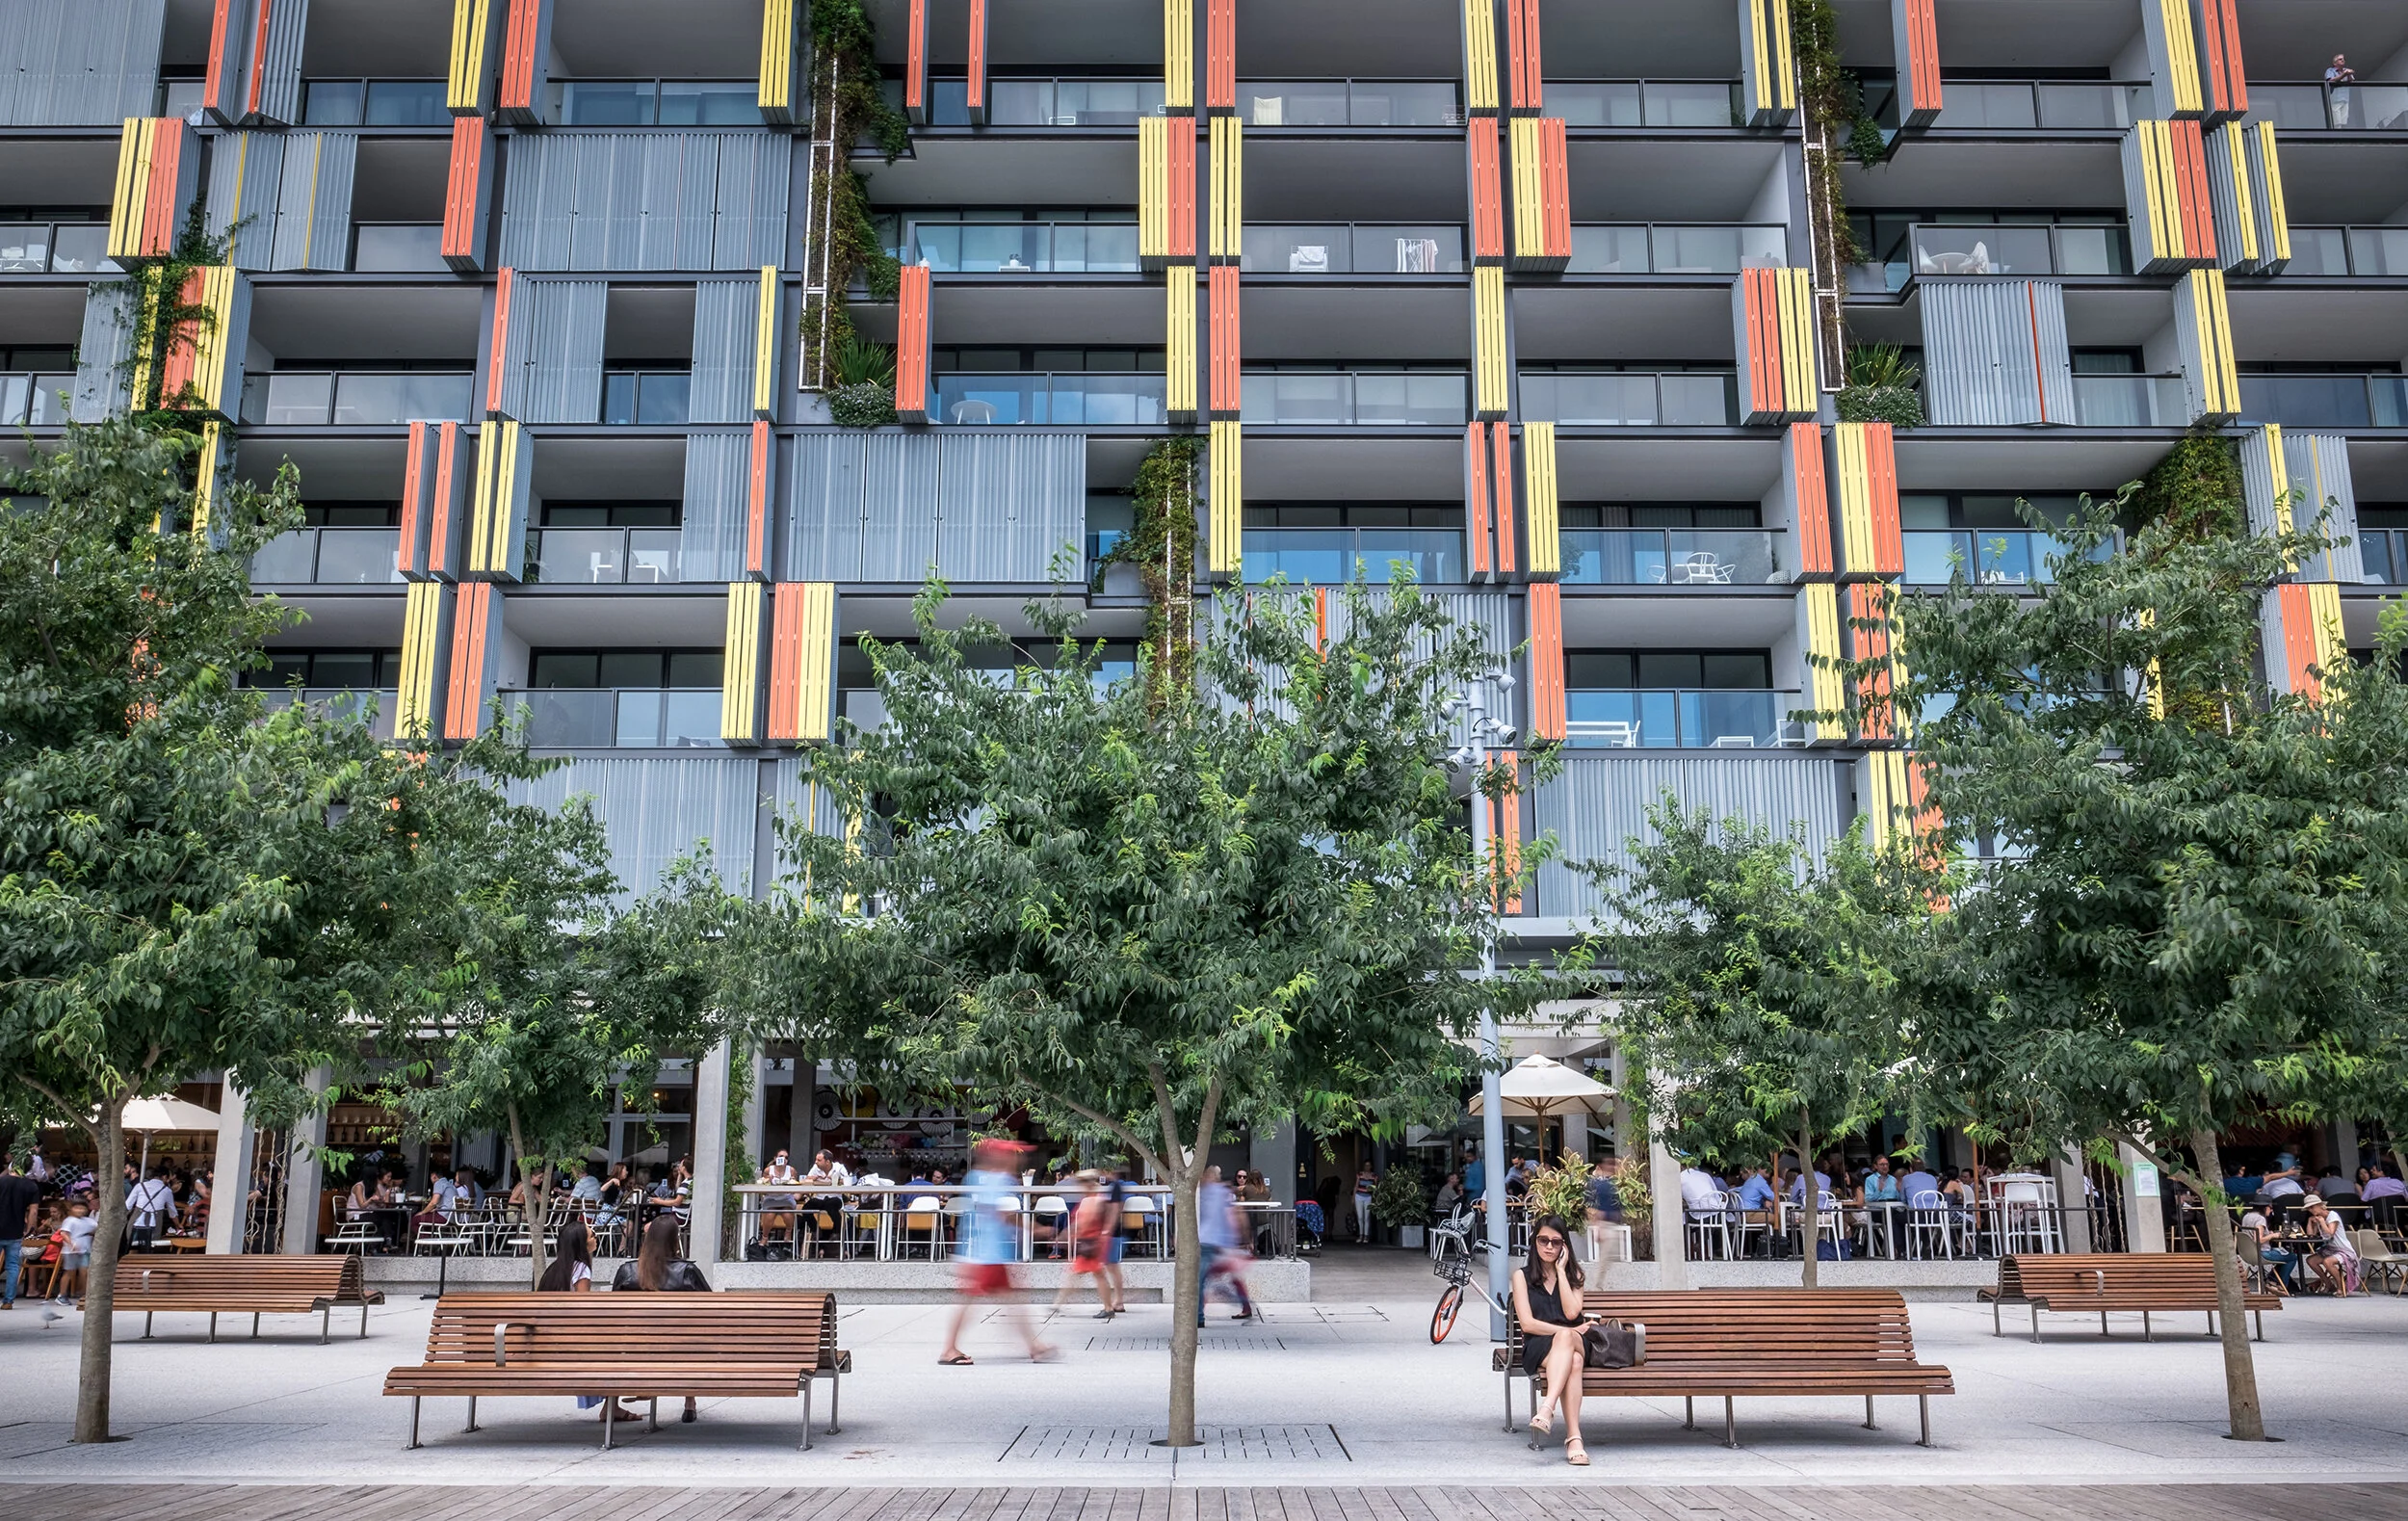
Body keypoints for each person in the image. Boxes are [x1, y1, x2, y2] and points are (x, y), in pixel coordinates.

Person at [939, 1140, 1052, 1365]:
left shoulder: (975, 1177)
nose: (1017, 1159)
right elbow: (1004, 1215)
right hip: (986, 1256)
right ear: (1000, 1157)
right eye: (1013, 1155)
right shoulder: (998, 1180)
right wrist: (1038, 1230)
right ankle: (948, 1350)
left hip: (981, 1253)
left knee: (1008, 1300)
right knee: (981, 1301)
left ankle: (1035, 1347)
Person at [612, 1216, 714, 1421]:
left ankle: (613, 1404)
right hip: (680, 1350)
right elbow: (711, 1310)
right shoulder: (687, 1272)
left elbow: (614, 1316)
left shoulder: (628, 1271)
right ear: (675, 1240)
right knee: (692, 1337)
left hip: (635, 1351)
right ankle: (690, 1402)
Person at [1508, 1214, 1590, 1467]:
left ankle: (1547, 1409)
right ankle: (1574, 1439)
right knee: (1574, 1362)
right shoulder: (1521, 1277)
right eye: (1543, 1240)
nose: (1549, 1247)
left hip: (1576, 1340)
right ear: (1534, 1242)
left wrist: (1561, 1273)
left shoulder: (1575, 1275)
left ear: (1564, 1245)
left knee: (1569, 1340)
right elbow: (1528, 1324)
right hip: (1540, 1345)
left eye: (1556, 1242)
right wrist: (1565, 1331)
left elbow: (1571, 1313)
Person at [1050, 1171, 1117, 1318]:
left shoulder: (1090, 1201)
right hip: (1094, 1242)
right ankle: (1107, 1307)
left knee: (1078, 1274)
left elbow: (1085, 1222)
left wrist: (1068, 1235)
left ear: (1088, 1184)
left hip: (1090, 1243)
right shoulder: (1098, 1199)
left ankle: (1058, 1304)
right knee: (1094, 1274)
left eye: (1081, 1183)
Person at [1196, 1166, 1255, 1324]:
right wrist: (1243, 1240)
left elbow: (1236, 1216)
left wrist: (1242, 1240)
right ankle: (1245, 1305)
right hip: (1219, 1243)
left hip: (1211, 1242)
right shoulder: (1223, 1193)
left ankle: (1199, 1316)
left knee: (1201, 1280)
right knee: (1224, 1277)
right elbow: (1238, 1216)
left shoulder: (1207, 1193)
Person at [0, 1154, 41, 1309]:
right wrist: (30, 1229)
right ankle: (8, 1301)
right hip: (15, 1231)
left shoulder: (1, 1181)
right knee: (12, 1266)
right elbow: (33, 1211)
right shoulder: (31, 1186)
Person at [2299, 1196, 2358, 1297]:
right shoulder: (2318, 1218)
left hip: (2343, 1250)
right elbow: (2311, 1235)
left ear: (2320, 1205)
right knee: (2311, 1260)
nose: (2311, 1210)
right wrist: (2310, 1221)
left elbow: (2330, 1233)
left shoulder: (2332, 1216)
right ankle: (2329, 1284)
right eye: (2309, 1208)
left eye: (2312, 1207)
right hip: (2330, 1249)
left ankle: (2341, 1287)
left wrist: (2322, 1222)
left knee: (2327, 1262)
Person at [2236, 1203, 2294, 1293]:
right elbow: (2258, 1240)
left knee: (2284, 1255)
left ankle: (2272, 1280)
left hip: (2248, 1254)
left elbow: (2252, 1234)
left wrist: (2267, 1233)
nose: (2271, 1210)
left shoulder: (2247, 1216)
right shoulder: (2260, 1219)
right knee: (2291, 1257)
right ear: (2265, 1208)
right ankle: (2278, 1284)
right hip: (2262, 1253)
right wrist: (2273, 1235)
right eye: (2270, 1208)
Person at [53, 1197, 97, 1308]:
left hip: (85, 1250)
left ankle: (85, 1294)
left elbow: (97, 1229)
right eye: (77, 1208)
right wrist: (71, 1244)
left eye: (82, 1208)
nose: (80, 1210)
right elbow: (64, 1233)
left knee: (85, 1272)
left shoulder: (89, 1221)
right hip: (71, 1251)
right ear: (72, 1209)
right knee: (69, 1272)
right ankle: (62, 1295)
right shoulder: (69, 1220)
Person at [1096, 1166, 1129, 1315]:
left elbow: (1115, 1210)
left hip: (1112, 1233)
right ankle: (1118, 1300)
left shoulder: (1115, 1187)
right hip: (1110, 1232)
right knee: (1112, 1267)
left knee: (1113, 1267)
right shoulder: (1111, 1187)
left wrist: (1107, 1230)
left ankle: (1119, 1300)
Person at [127, 1165, 178, 1254]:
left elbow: (127, 1206)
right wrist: (178, 1225)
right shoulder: (167, 1191)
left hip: (136, 1220)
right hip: (154, 1223)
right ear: (164, 1177)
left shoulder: (140, 1186)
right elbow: (173, 1213)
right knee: (149, 1251)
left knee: (133, 1249)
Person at [1862, 1156, 1903, 1257]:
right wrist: (1879, 1191)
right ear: (1875, 1166)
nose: (1885, 1167)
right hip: (1878, 1210)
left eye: (1886, 1164)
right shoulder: (1870, 1179)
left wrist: (1899, 1191)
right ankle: (1896, 1248)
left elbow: (1898, 1198)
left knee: (1902, 1218)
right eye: (1882, 1164)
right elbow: (1868, 1199)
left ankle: (1902, 1248)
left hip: (1893, 1207)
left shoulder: (1893, 1179)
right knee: (1892, 1219)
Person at [759, 1149, 800, 1249]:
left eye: (786, 1157)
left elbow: (795, 1185)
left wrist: (792, 1181)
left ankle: (788, 1232)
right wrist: (768, 1180)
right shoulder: (768, 1170)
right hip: (771, 1199)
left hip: (786, 1199)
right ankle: (765, 1237)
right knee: (770, 1214)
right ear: (775, 1158)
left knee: (787, 1214)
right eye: (781, 1157)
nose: (784, 1159)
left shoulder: (791, 1170)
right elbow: (762, 1185)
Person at [1352, 1164, 1375, 1243]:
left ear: (1371, 1166)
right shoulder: (1360, 1175)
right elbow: (1356, 1185)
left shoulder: (1374, 1176)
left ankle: (1366, 1236)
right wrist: (1353, 1197)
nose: (1367, 1167)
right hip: (1359, 1196)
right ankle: (1360, 1235)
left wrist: (1373, 1193)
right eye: (1366, 1165)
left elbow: (1376, 1187)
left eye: (1368, 1165)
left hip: (1368, 1197)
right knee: (1360, 1217)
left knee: (1367, 1217)